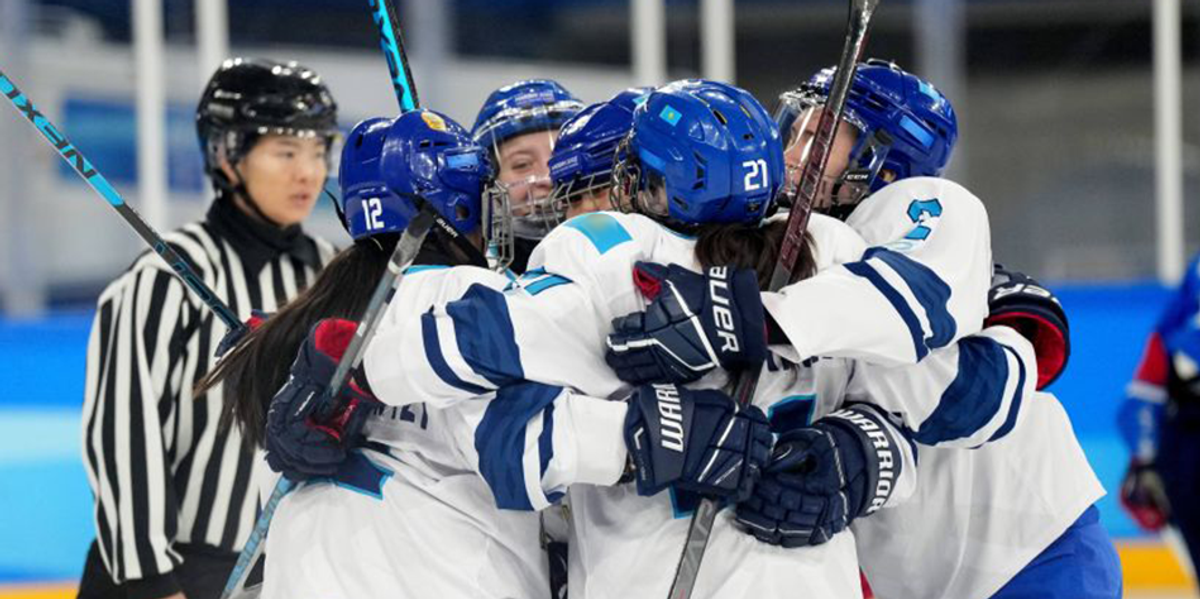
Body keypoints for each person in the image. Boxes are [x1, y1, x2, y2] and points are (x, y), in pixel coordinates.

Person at [729, 61, 1119, 599]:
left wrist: (747, 322)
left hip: (1033, 551)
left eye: (819, 135)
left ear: (884, 155)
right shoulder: (781, 246)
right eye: (793, 131)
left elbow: (975, 394)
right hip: (910, 575)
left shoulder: (918, 211)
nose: (793, 155)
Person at [78, 57, 339, 599]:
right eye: (286, 151)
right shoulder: (163, 277)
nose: (308, 172)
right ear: (226, 154)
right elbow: (124, 433)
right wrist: (152, 581)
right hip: (173, 571)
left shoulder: (330, 271)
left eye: (318, 151)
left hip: (287, 568)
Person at [1119, 251, 1200, 586]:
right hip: (1186, 454)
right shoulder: (1172, 333)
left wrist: (1145, 461)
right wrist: (1146, 462)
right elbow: (1141, 402)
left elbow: (1140, 403)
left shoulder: (1172, 329)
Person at [471, 79, 584, 273]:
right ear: (488, 183)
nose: (548, 178)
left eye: (562, 156)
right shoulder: (471, 282)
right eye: (522, 164)